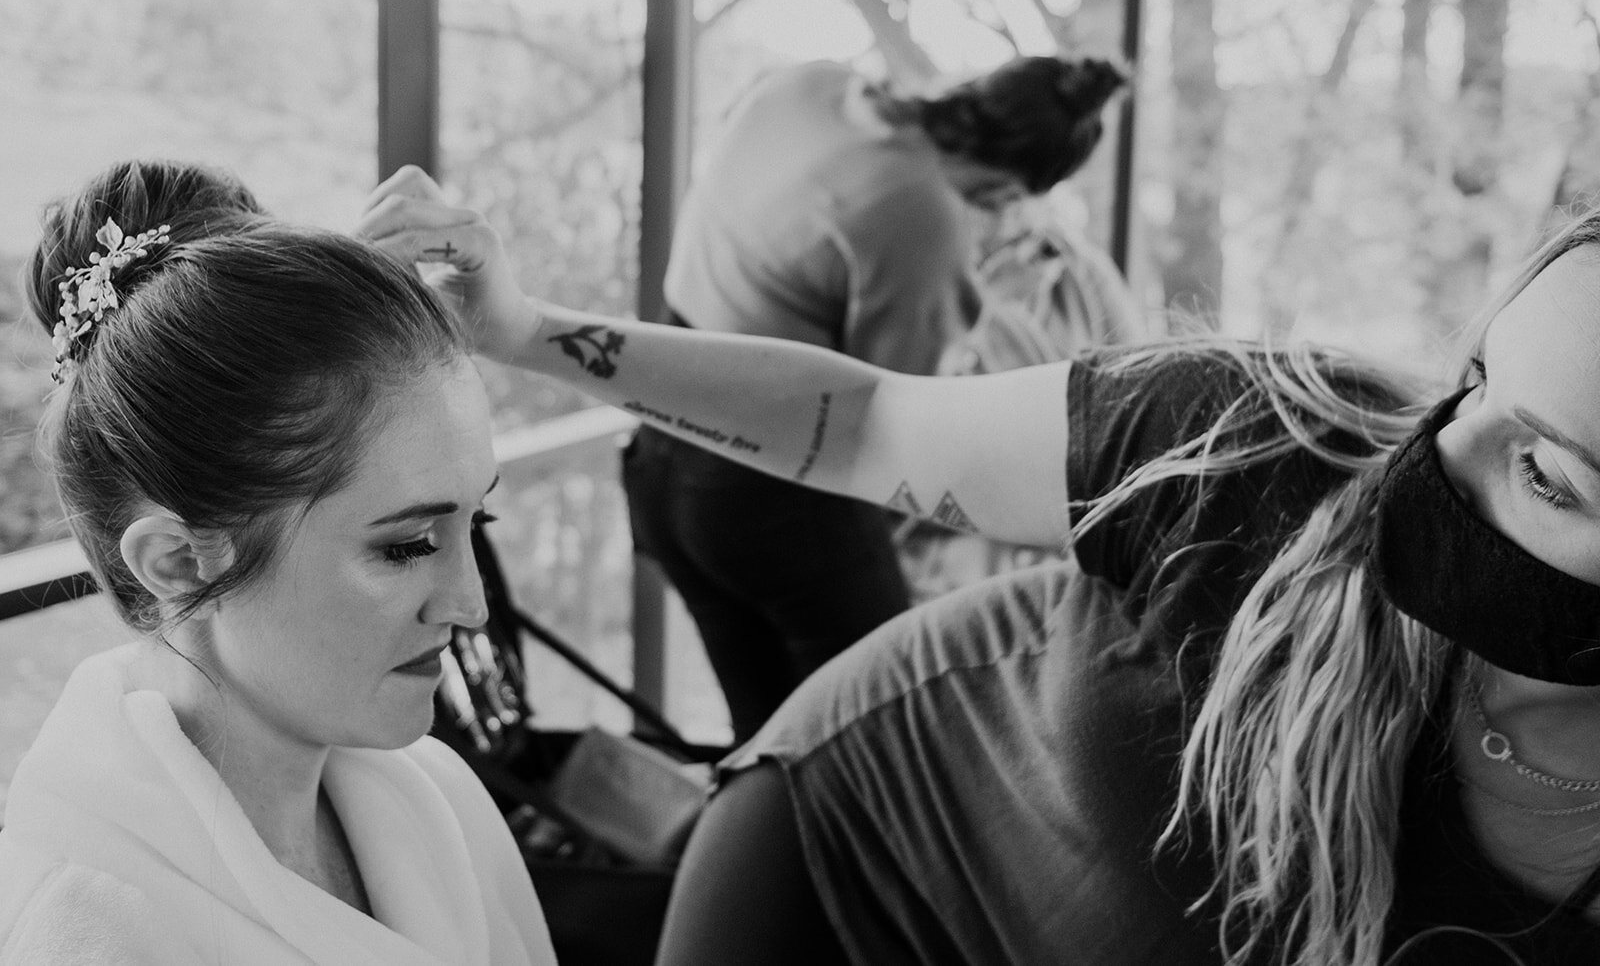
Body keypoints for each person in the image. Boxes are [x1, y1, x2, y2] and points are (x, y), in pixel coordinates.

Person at [362, 166, 1600, 964]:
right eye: (1473, 381)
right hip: (860, 874)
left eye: (1551, 476)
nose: (1434, 451)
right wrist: (524, 334)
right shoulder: (1253, 449)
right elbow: (868, 424)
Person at [0, 161, 556, 965]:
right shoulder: (92, 934)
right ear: (180, 561)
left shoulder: (444, 800)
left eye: (480, 517)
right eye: (404, 546)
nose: (470, 604)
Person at [626, 53, 1131, 741]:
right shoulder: (923, 218)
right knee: (890, 736)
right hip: (765, 495)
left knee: (765, 741)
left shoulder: (807, 85)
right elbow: (894, 430)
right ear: (1012, 188)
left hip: (661, 456)